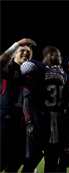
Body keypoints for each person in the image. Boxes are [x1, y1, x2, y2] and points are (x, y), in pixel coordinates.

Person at [21, 46, 67, 173]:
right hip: (39, 119)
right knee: (32, 159)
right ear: (51, 54)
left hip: (56, 122)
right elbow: (28, 96)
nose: (61, 57)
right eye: (59, 54)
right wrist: (29, 121)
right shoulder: (36, 67)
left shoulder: (62, 73)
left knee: (52, 160)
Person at [0, 38, 36, 173]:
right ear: (14, 54)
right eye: (22, 51)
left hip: (23, 122)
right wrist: (16, 45)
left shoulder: (32, 72)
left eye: (28, 52)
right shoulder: (10, 68)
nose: (25, 54)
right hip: (6, 119)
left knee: (15, 163)